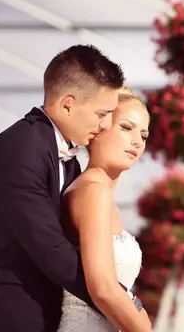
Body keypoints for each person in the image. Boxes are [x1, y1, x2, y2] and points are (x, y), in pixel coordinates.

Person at [0, 45, 134, 332]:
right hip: (9, 318)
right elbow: (52, 251)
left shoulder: (68, 160)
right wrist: (126, 304)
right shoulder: (20, 148)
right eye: (102, 113)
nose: (105, 125)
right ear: (67, 104)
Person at [58, 86, 152, 332]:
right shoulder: (93, 191)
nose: (136, 142)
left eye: (144, 135)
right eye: (126, 127)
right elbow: (103, 289)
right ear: (99, 127)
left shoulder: (107, 202)